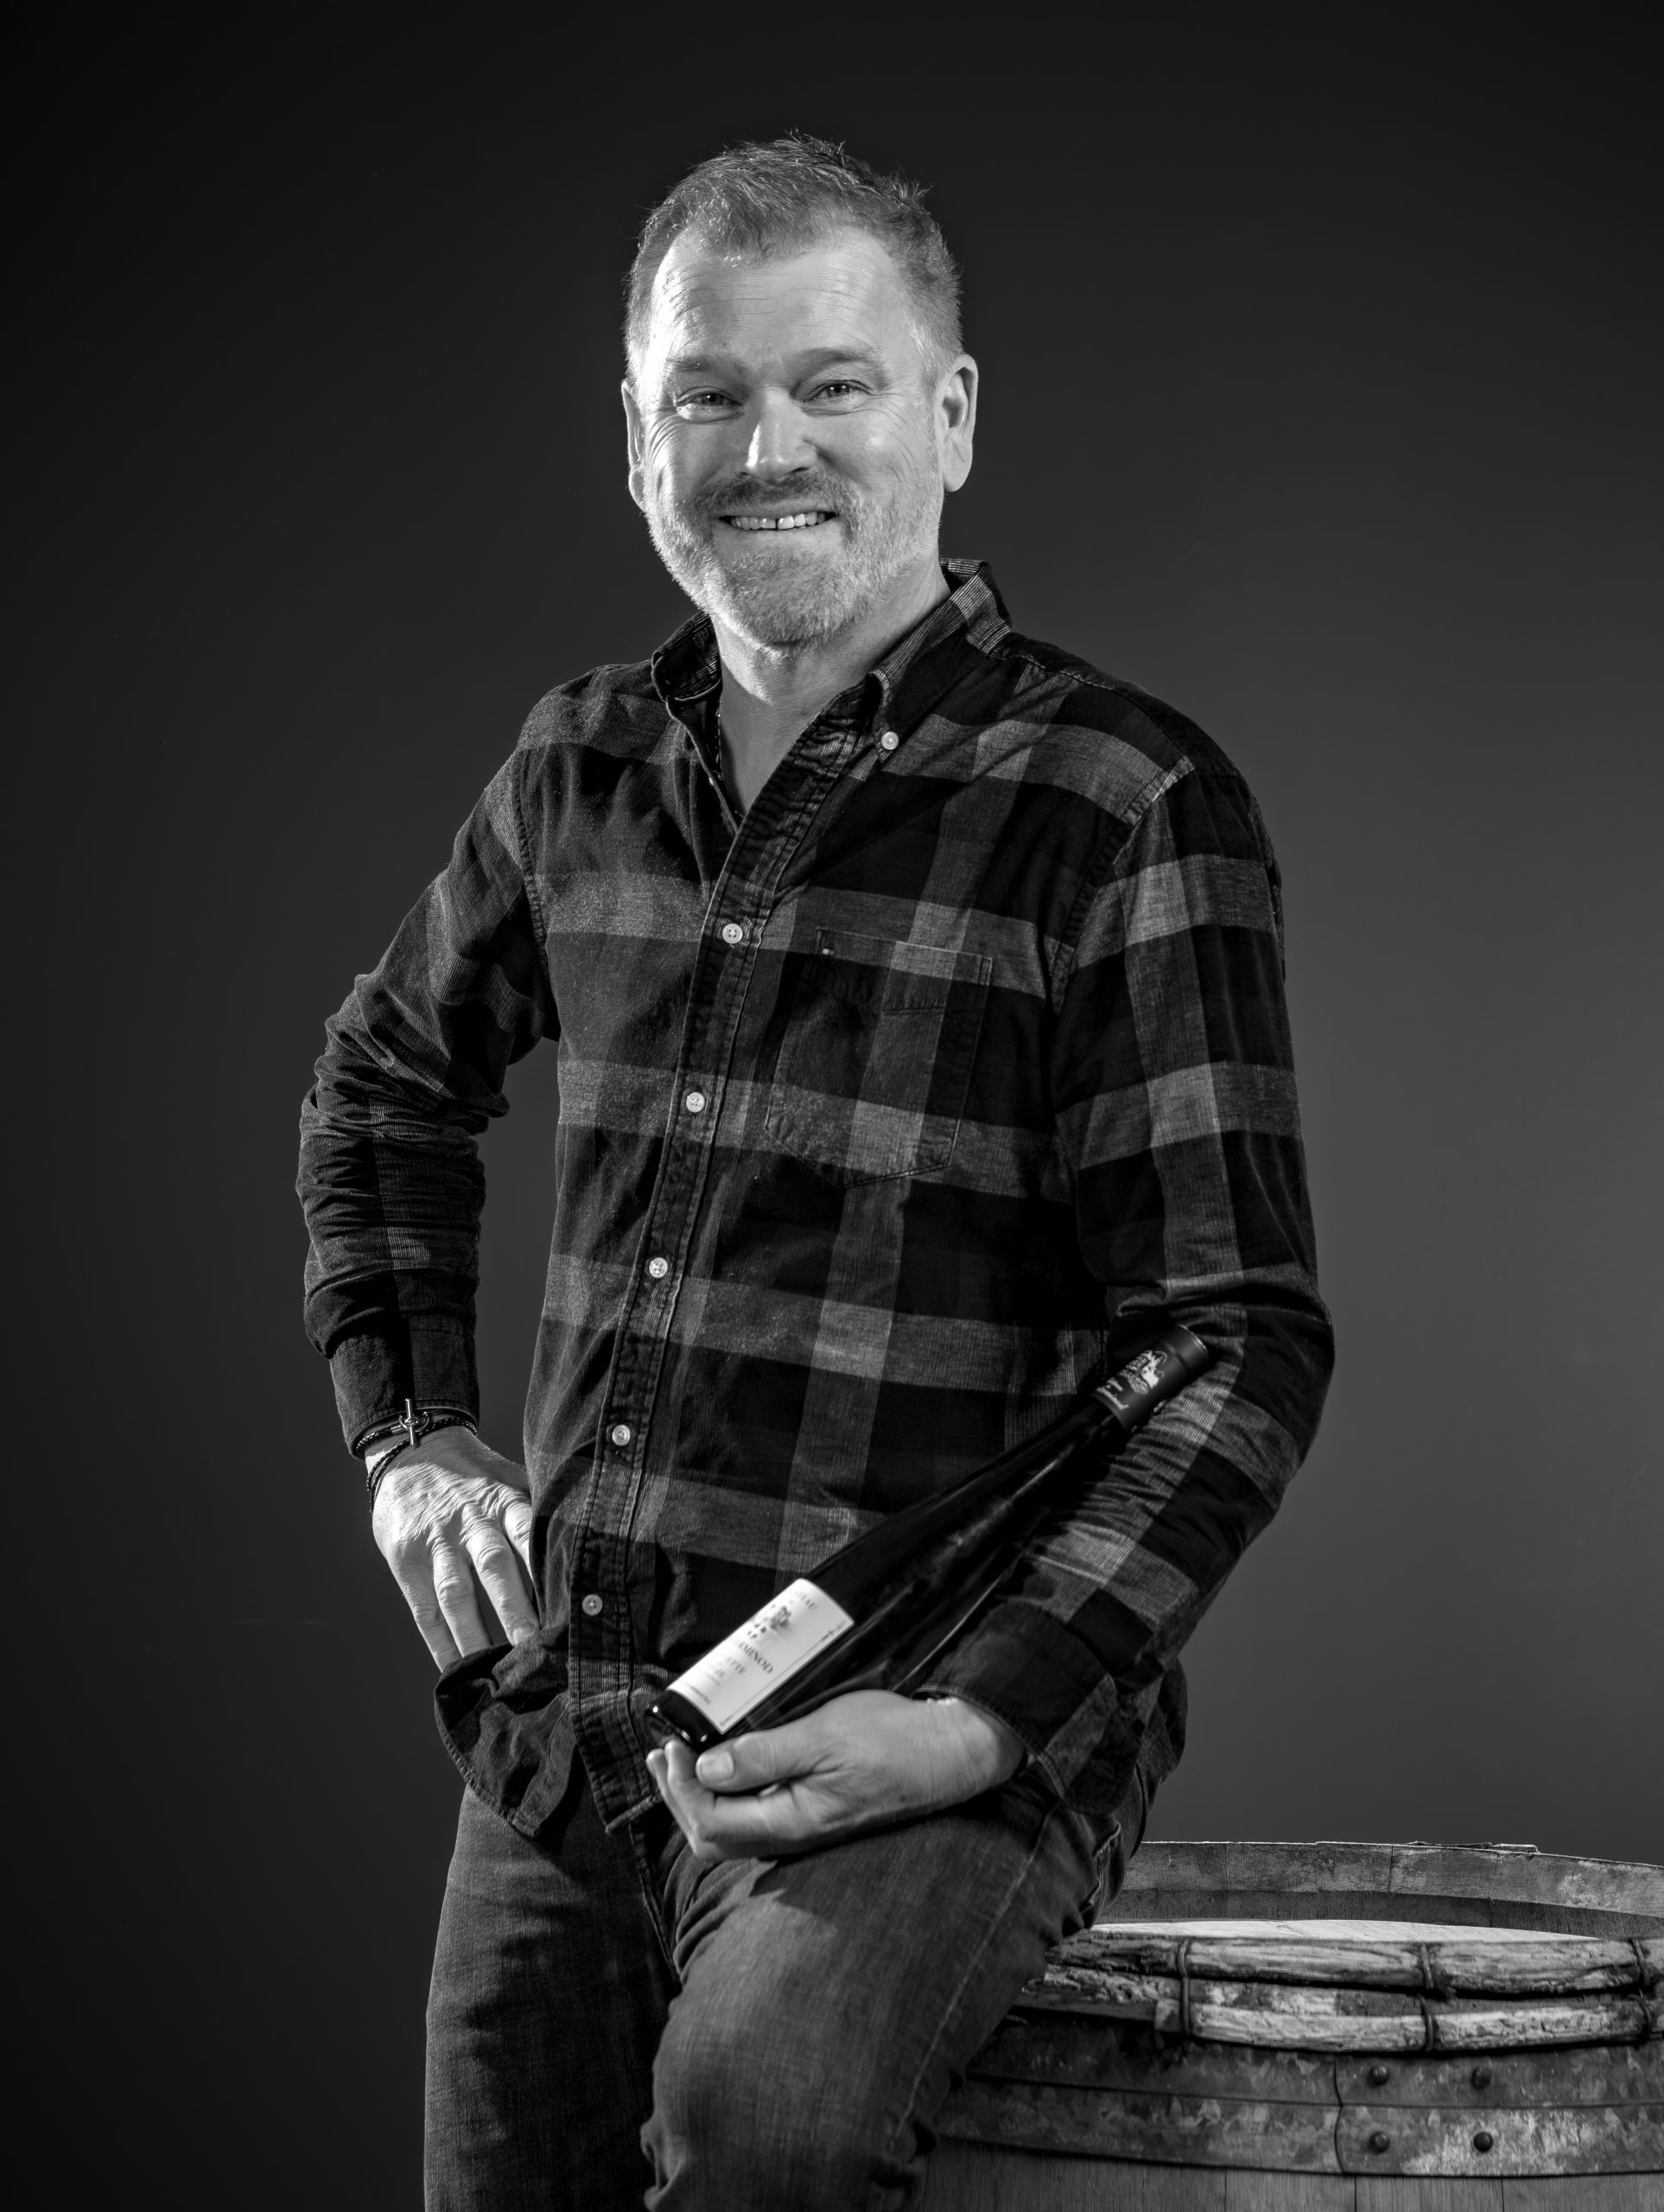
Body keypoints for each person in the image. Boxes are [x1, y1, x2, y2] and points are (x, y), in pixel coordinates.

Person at [297, 134, 1333, 2211]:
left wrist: (978, 1720)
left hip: (926, 1742)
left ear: (949, 414)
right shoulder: (579, 763)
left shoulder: (1121, 799)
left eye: (831, 384)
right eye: (709, 393)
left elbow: (1236, 1341)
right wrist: (409, 1433)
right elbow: (384, 1081)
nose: (767, 447)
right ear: (639, 440)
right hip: (575, 1740)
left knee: (760, 2131)